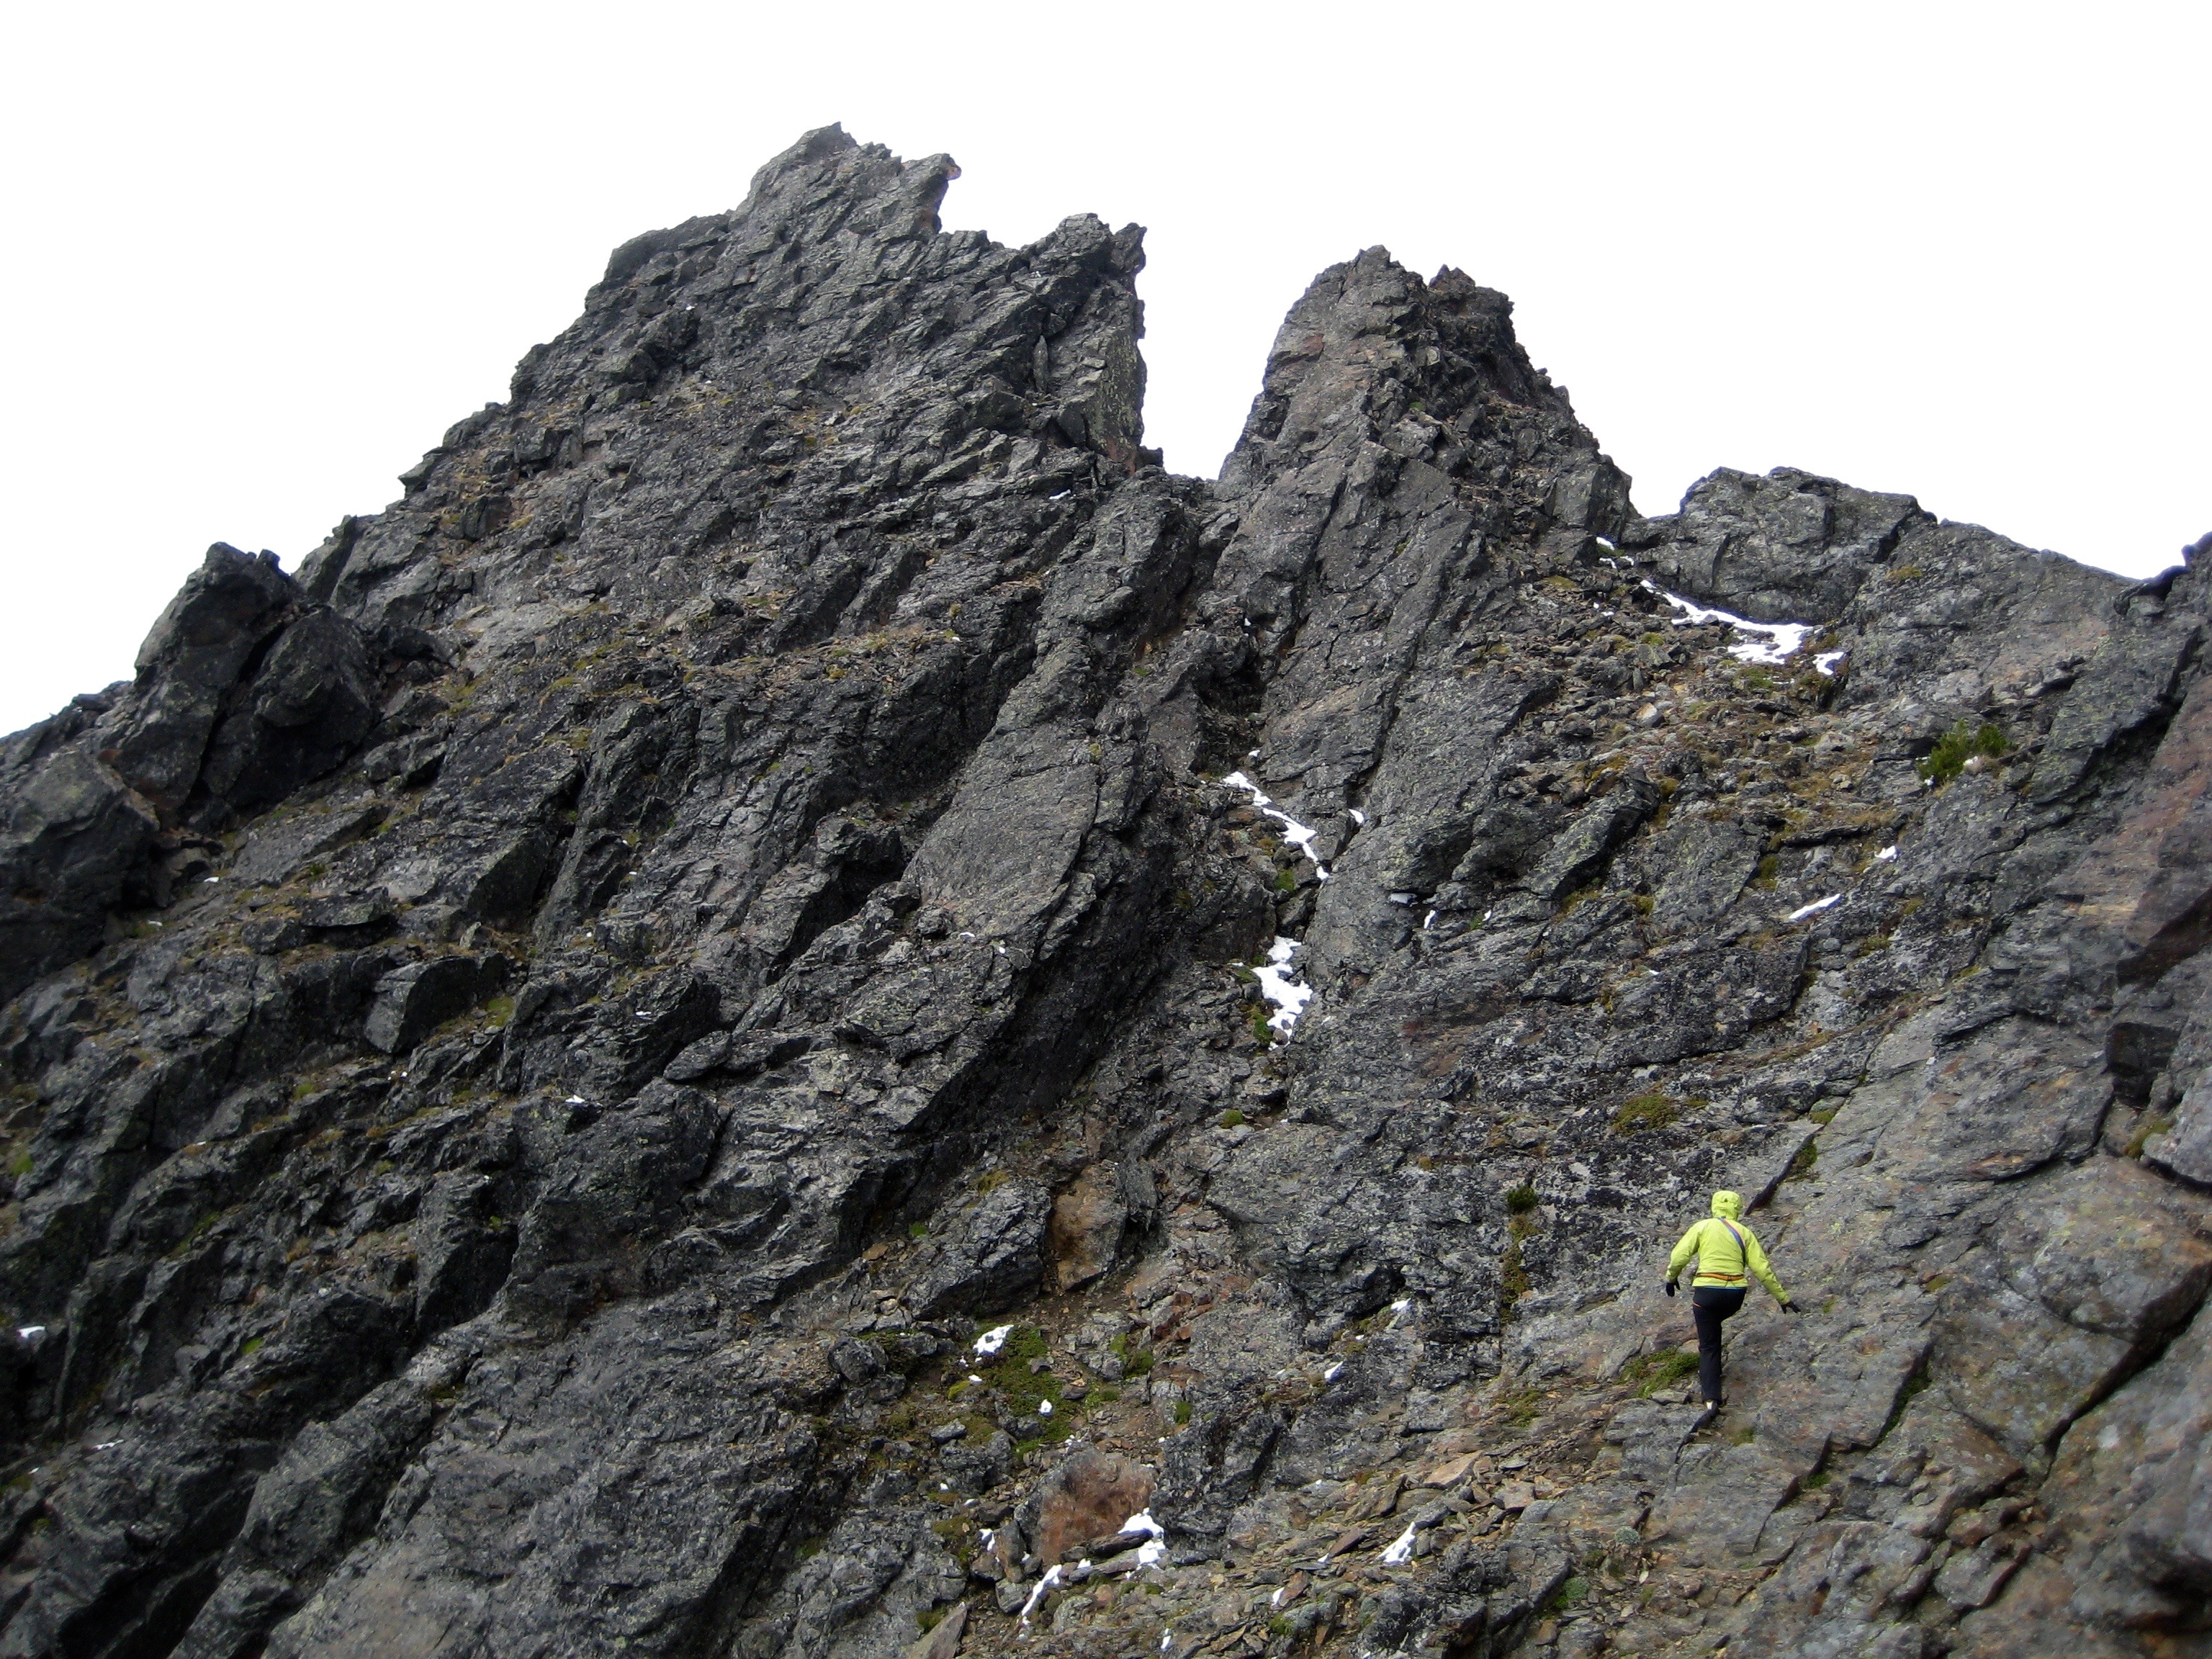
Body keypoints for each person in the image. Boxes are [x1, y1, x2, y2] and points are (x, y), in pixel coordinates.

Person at [1665, 1190, 1796, 1410]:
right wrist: (1783, 1299)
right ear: (1738, 1207)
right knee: (1716, 1325)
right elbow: (1762, 1269)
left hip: (1707, 1294)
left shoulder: (1702, 1227)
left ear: (1714, 1205)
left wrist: (1671, 1277)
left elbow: (1680, 1256)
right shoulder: (1744, 1233)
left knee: (1709, 1346)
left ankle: (1711, 1400)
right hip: (1735, 1296)